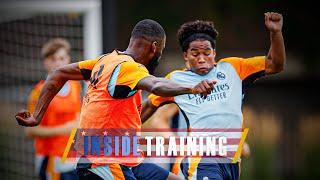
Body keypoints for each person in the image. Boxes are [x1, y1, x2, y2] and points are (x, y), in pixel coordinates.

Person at [16, 19, 216, 180]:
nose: (159, 57)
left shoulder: (105, 60)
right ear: (154, 47)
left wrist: (36, 116)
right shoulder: (130, 68)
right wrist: (191, 88)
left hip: (122, 160)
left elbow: (58, 73)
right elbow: (156, 85)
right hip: (105, 162)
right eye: (161, 51)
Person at [141, 12, 285, 179]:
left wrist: (275, 33)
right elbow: (151, 104)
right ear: (186, 56)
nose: (202, 59)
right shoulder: (176, 79)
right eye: (195, 54)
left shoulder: (234, 68)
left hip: (231, 161)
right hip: (202, 158)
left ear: (214, 53)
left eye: (207, 52)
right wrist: (124, 131)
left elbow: (276, 64)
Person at [25, 38, 81, 180]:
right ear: (46, 62)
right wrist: (64, 130)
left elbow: (77, 116)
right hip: (51, 160)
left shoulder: (75, 86)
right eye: (53, 59)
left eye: (62, 58)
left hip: (73, 156)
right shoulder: (38, 93)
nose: (58, 63)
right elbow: (30, 130)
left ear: (68, 59)